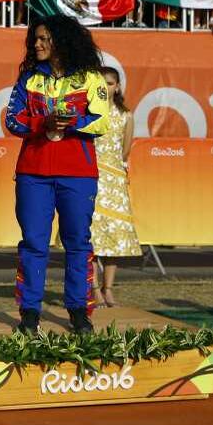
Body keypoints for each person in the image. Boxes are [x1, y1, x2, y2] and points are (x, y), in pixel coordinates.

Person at [4, 15, 110, 334]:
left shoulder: (90, 77)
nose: (36, 44)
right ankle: (29, 314)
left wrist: (71, 123)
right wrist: (43, 124)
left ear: (62, 41)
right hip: (33, 172)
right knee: (33, 243)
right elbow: (12, 120)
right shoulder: (30, 78)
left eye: (43, 39)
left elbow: (102, 122)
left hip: (77, 173)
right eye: (34, 39)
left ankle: (79, 312)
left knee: (77, 242)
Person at [90, 66, 138, 309]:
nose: (106, 87)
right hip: (91, 177)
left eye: (110, 83)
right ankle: (93, 289)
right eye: (101, 83)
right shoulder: (89, 112)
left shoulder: (126, 115)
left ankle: (108, 289)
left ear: (117, 87)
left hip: (115, 179)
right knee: (91, 236)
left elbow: (125, 149)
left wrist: (113, 169)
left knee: (115, 236)